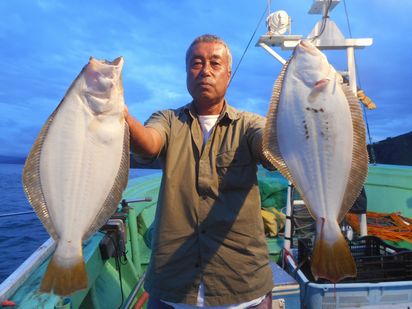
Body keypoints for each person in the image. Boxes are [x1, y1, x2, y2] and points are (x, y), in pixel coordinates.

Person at [124, 34, 274, 308]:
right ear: (186, 74)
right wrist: (121, 115)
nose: (205, 70)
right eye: (196, 63)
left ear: (228, 74)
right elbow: (148, 144)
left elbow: (269, 147)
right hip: (173, 286)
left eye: (215, 63)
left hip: (242, 284)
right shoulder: (167, 119)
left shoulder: (249, 124)